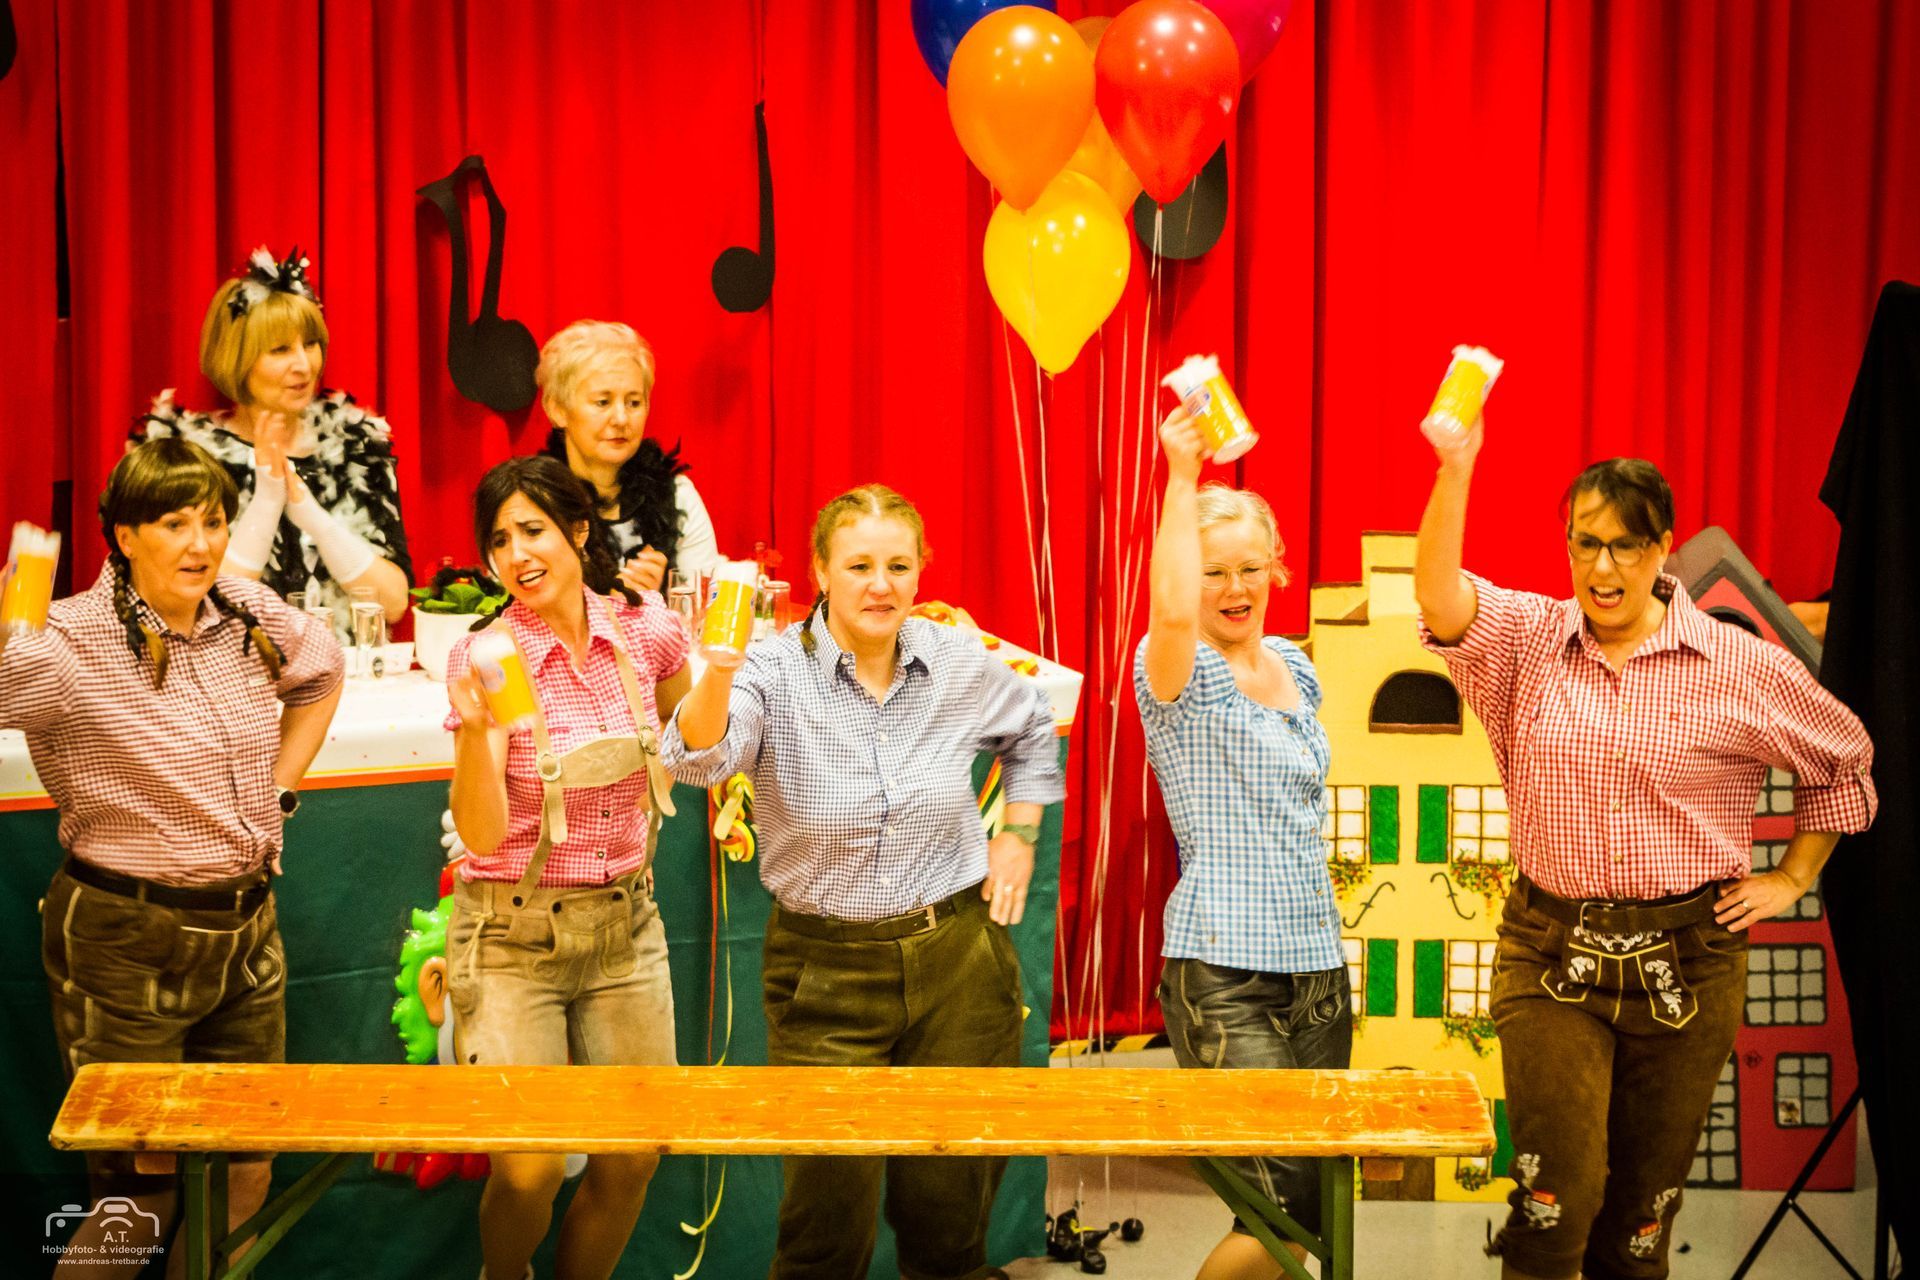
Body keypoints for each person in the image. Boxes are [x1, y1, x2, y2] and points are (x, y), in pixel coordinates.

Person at [1413, 416, 1877, 1280]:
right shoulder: (1528, 640)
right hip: (1552, 953)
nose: (1603, 568)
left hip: (1690, 964)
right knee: (1556, 1202)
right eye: (1585, 543)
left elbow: (1843, 758)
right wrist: (1456, 467)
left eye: (1625, 546)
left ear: (1662, 547)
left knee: (1639, 1221)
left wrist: (1793, 875)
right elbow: (1441, 601)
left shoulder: (1735, 664)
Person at [660, 483, 1063, 1280]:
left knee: (951, 1218)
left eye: (898, 566)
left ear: (920, 572)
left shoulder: (953, 657)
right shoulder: (772, 669)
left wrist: (1019, 832)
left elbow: (1031, 725)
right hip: (826, 974)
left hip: (960, 962)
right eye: (858, 566)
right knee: (826, 1224)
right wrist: (718, 670)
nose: (880, 585)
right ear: (820, 572)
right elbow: (697, 759)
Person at [0, 437, 343, 1278]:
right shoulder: (70, 637)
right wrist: (23, 597)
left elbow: (324, 668)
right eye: (174, 524)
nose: (201, 544)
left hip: (246, 928)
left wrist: (278, 791)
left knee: (246, 1169)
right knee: (140, 1191)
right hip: (126, 936)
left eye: (214, 521)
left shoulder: (243, 609)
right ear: (124, 535)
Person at [442, 455, 691, 1280]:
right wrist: (478, 736)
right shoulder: (488, 655)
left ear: (579, 531)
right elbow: (482, 835)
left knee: (634, 1155)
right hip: (512, 935)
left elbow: (692, 738)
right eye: (499, 540)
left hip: (625, 926)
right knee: (531, 1165)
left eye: (533, 530)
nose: (517, 554)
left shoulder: (647, 630)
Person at [1134, 405, 1349, 1280]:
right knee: (1279, 1202)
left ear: (1276, 570)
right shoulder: (1177, 672)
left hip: (1318, 969)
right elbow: (1170, 613)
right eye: (1214, 570)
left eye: (1249, 568)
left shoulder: (1294, 665)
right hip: (1223, 974)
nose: (1234, 586)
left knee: (1317, 1202)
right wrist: (1182, 477)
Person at [136, 247, 412, 637]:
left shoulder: (356, 444)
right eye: (280, 349)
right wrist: (268, 501)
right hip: (231, 670)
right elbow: (197, 604)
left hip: (344, 667)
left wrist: (311, 515)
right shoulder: (188, 456)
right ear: (238, 358)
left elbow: (394, 604)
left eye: (310, 344)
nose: (304, 364)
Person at [537, 319, 721, 595]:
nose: (622, 419)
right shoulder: (535, 500)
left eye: (634, 402)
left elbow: (707, 605)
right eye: (603, 402)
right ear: (557, 410)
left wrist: (661, 598)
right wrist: (612, 603)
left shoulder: (677, 494)